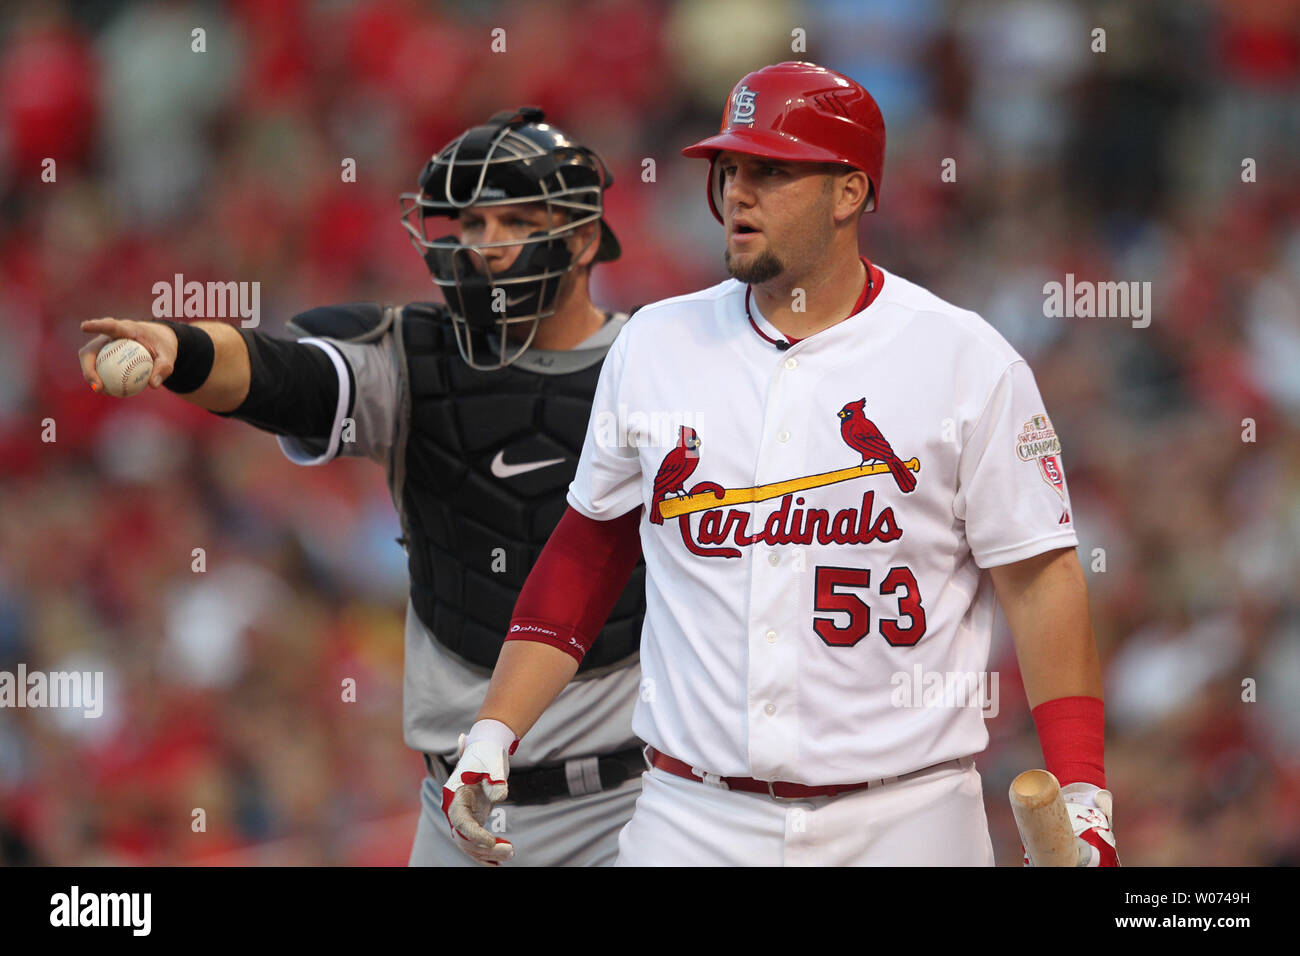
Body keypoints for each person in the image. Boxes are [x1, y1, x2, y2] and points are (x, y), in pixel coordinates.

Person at [440, 64, 1119, 867]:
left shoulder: (966, 361)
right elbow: (590, 550)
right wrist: (494, 730)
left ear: (848, 193)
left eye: (771, 170)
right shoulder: (657, 345)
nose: (738, 192)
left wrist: (1083, 792)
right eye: (729, 169)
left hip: (907, 816)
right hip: (692, 816)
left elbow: (1039, 577)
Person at [78, 107, 647, 867]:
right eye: (468, 227)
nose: (483, 248)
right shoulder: (418, 360)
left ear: (581, 237)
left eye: (512, 221)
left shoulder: (658, 364)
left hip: (634, 804)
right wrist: (179, 349)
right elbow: (288, 379)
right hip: (459, 815)